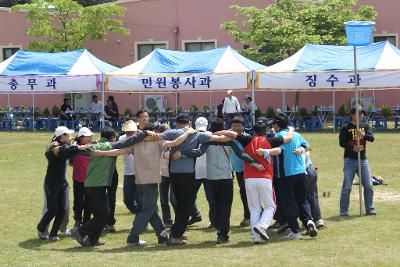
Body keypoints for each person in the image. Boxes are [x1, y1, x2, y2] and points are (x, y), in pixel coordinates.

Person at [94, 123, 196, 246]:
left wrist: (101, 153)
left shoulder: (136, 143)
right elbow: (175, 143)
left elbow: (119, 151)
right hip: (151, 182)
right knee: (147, 210)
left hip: (139, 182)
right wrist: (187, 133)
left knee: (151, 210)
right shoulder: (158, 142)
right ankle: (132, 238)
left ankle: (162, 236)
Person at [145, 113, 232, 245]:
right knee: (185, 206)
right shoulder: (197, 134)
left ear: (177, 123)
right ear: (189, 123)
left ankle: (177, 232)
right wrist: (233, 133)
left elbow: (155, 137)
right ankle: (175, 235)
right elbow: (220, 138)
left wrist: (141, 135)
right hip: (188, 174)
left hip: (173, 174)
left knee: (180, 204)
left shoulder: (173, 132)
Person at [175, 118, 263, 244]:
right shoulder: (229, 141)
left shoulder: (208, 140)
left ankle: (218, 229)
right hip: (226, 178)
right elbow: (241, 154)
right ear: (223, 127)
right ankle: (223, 234)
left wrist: (182, 153)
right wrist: (255, 163)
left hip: (211, 178)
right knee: (226, 206)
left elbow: (198, 152)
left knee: (215, 205)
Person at [213, 122, 292, 243]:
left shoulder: (247, 139)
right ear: (265, 131)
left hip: (249, 178)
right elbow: (288, 138)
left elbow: (231, 133)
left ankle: (256, 238)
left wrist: (217, 133)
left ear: (253, 132)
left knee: (254, 209)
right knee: (271, 206)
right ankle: (262, 226)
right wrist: (291, 129)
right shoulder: (270, 141)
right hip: (265, 177)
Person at [74, 127, 150, 247]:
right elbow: (125, 142)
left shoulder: (97, 144)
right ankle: (81, 231)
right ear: (112, 138)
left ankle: (92, 240)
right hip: (96, 185)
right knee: (104, 214)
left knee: (100, 214)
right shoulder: (108, 146)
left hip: (92, 184)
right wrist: (144, 133)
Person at [37, 126, 89, 241]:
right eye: (67, 135)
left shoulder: (66, 146)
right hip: (52, 182)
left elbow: (68, 153)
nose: (70, 137)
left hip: (62, 182)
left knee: (63, 209)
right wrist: (77, 147)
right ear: (62, 136)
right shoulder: (53, 145)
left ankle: (53, 234)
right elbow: (59, 151)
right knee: (52, 209)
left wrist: (74, 146)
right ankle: (41, 228)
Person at [272, 113, 317, 241]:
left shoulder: (278, 137)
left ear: (277, 125)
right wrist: (302, 150)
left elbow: (277, 152)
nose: (273, 127)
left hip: (286, 174)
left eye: (273, 125)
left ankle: (295, 232)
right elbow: (307, 146)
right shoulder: (297, 135)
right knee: (303, 200)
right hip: (301, 172)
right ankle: (309, 221)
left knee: (289, 203)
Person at [339, 105, 376, 216]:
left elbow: (372, 138)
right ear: (352, 115)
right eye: (358, 113)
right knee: (347, 186)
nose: (361, 115)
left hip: (363, 160)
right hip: (349, 160)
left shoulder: (365, 126)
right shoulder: (346, 127)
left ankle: (369, 209)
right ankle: (344, 211)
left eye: (362, 113)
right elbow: (342, 142)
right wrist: (353, 148)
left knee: (368, 185)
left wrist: (363, 135)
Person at [188, 117, 216, 228]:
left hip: (202, 171)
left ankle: (212, 220)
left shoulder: (193, 135)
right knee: (192, 196)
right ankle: (196, 215)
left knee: (209, 198)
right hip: (198, 171)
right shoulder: (210, 135)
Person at [71, 127, 94, 231]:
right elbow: (71, 162)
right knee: (78, 202)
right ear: (81, 138)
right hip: (78, 180)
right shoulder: (75, 148)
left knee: (89, 202)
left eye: (90, 136)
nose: (90, 138)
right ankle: (77, 221)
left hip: (90, 181)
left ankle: (86, 222)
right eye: (87, 136)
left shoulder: (93, 148)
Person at [230, 116, 250, 227]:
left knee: (245, 192)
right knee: (244, 192)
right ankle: (249, 215)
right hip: (237, 170)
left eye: (239, 126)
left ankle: (248, 216)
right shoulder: (229, 136)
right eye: (234, 125)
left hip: (247, 170)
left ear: (243, 127)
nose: (237, 128)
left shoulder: (246, 137)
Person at [157, 124, 177, 228]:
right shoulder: (157, 145)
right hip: (162, 174)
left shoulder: (175, 143)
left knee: (174, 199)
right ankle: (167, 221)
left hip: (174, 174)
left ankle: (180, 219)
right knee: (163, 200)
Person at [119, 120, 141, 214]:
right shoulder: (122, 138)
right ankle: (138, 213)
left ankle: (141, 216)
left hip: (140, 173)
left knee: (140, 199)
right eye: (127, 131)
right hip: (128, 173)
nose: (129, 132)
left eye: (131, 130)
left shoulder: (141, 137)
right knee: (127, 200)